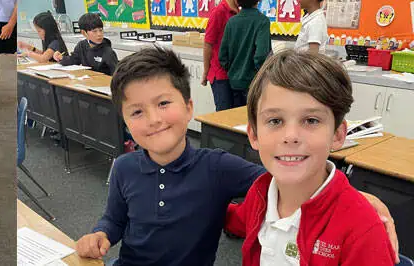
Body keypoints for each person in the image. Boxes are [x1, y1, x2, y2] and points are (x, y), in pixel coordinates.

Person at [71, 46, 397, 266]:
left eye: (163, 103)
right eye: (137, 111)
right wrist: (101, 234)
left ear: (189, 108)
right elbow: (115, 219)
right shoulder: (125, 167)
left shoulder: (217, 169)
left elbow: (289, 182)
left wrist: (359, 198)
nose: (154, 119)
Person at [224, 49, 396, 266]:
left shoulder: (362, 229)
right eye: (275, 121)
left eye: (311, 120)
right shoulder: (261, 195)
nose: (291, 136)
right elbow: (238, 220)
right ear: (254, 135)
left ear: (337, 135)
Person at [218, 0, 271, 110]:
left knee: (237, 118)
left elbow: (222, 55)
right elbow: (261, 56)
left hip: (234, 83)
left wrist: (232, 70)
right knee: (253, 117)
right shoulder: (262, 21)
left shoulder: (231, 22)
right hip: (254, 84)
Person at [53, 13, 119, 76]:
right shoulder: (81, 46)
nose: (99, 34)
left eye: (101, 30)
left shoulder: (108, 52)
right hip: (88, 81)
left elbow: (117, 74)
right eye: (94, 31)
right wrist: (61, 58)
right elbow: (73, 60)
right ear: (84, 33)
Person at [202, 0, 238, 111]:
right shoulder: (219, 12)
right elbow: (208, 43)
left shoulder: (238, 11)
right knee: (224, 114)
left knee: (236, 115)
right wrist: (206, 72)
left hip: (235, 74)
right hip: (220, 74)